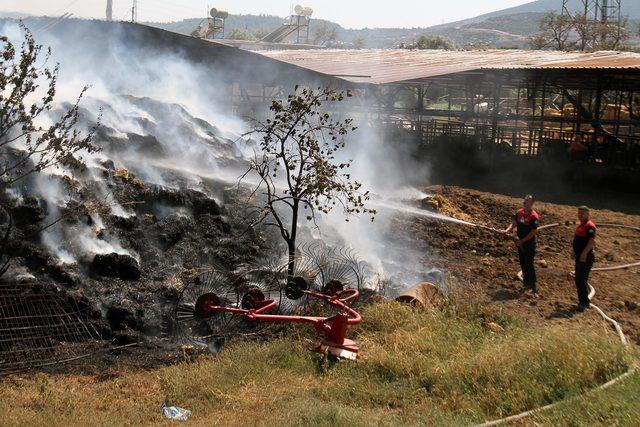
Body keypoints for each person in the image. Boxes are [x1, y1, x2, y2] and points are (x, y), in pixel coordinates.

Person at [504, 195, 540, 293]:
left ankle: (532, 285)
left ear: (532, 203)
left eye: (527, 200)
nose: (525, 202)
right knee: (523, 263)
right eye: (525, 200)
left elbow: (533, 232)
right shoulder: (519, 212)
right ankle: (525, 283)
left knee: (529, 263)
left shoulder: (534, 216)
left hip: (529, 243)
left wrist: (522, 241)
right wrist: (507, 230)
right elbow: (514, 223)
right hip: (520, 242)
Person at [572, 205, 596, 311]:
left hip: (585, 257)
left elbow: (592, 241)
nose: (580, 215)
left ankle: (584, 303)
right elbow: (578, 240)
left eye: (582, 213)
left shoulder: (590, 226)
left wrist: (584, 254)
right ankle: (582, 301)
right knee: (578, 279)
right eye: (579, 213)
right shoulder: (581, 225)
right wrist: (574, 251)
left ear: (587, 214)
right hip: (580, 256)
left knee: (581, 279)